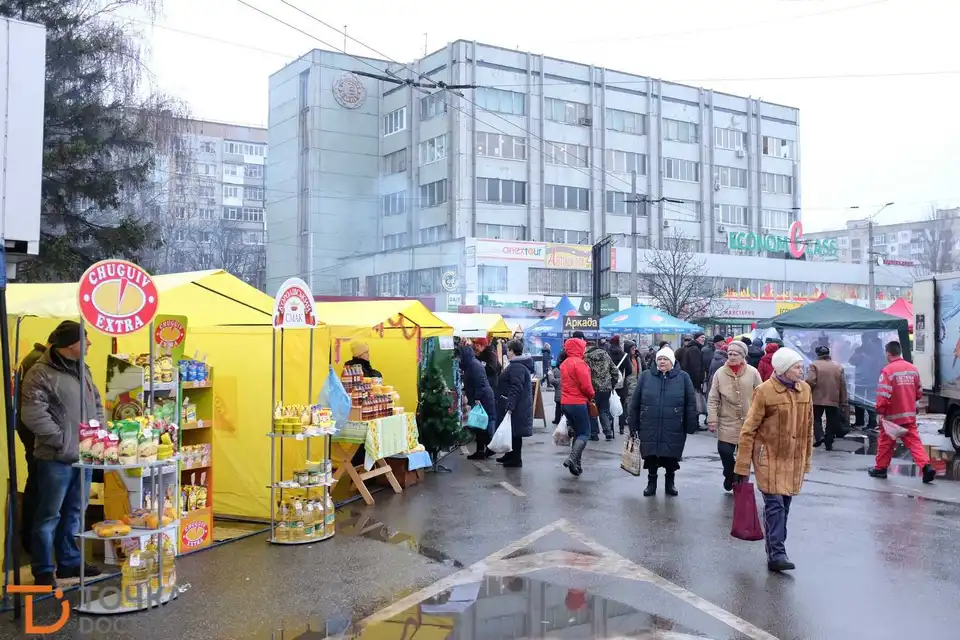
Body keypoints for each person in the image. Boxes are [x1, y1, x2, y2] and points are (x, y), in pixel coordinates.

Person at [20, 321, 104, 586]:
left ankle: (68, 563)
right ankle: (43, 569)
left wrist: (98, 434)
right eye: (85, 339)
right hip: (55, 458)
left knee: (76, 511)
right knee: (49, 515)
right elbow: (33, 415)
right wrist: (64, 442)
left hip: (85, 455)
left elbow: (97, 404)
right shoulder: (39, 373)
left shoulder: (84, 369)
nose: (90, 344)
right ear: (70, 345)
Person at [734, 348, 813, 573]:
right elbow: (749, 429)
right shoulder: (765, 391)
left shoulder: (805, 390)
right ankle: (777, 553)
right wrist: (742, 466)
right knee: (775, 504)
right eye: (797, 367)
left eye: (800, 366)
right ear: (783, 369)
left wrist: (806, 459)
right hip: (767, 457)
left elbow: (808, 427)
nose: (801, 370)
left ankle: (776, 548)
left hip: (793, 458)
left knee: (785, 505)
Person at [628, 347, 698, 497]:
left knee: (670, 456)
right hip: (649, 423)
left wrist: (691, 423)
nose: (662, 362)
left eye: (665, 359)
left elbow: (690, 403)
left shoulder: (683, 377)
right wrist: (632, 423)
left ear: (672, 361)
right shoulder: (646, 376)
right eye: (659, 359)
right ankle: (651, 483)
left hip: (674, 425)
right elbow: (635, 402)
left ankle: (670, 483)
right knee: (651, 456)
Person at [868, 341, 936, 483]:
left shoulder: (887, 371)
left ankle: (880, 469)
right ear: (899, 352)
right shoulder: (912, 369)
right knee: (914, 442)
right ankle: (926, 466)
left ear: (888, 353)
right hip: (909, 414)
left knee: (885, 442)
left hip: (891, 416)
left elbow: (883, 395)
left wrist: (880, 411)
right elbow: (919, 392)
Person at [16, 332, 56, 555]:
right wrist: (55, 435)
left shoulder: (34, 358)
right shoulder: (37, 362)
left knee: (37, 482)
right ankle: (33, 542)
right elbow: (36, 408)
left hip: (32, 432)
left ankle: (33, 541)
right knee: (39, 484)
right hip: (36, 434)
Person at [707, 340, 762, 491]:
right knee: (724, 450)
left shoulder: (752, 372)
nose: (732, 356)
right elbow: (713, 398)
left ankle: (740, 483)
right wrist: (712, 419)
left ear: (743, 356)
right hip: (727, 419)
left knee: (744, 456)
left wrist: (762, 417)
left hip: (748, 420)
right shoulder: (720, 373)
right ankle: (729, 473)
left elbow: (761, 395)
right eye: (730, 353)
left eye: (735, 354)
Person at [495, 339, 534, 467]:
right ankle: (510, 455)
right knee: (512, 432)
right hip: (518, 405)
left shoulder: (517, 366)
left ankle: (516, 459)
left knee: (515, 433)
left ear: (512, 351)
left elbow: (515, 387)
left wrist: (510, 406)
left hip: (517, 406)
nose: (507, 352)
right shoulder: (517, 364)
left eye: (508, 349)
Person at [559, 337, 594, 476]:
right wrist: (591, 394)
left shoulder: (565, 363)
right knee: (585, 433)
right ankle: (573, 458)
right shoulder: (579, 364)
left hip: (566, 403)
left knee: (577, 433)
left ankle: (576, 465)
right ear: (578, 348)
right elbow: (586, 385)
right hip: (578, 402)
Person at [806, 345, 849, 451]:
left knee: (816, 418)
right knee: (831, 420)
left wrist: (805, 388)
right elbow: (843, 384)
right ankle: (829, 442)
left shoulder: (814, 365)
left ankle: (819, 436)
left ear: (818, 354)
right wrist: (844, 400)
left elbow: (811, 380)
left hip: (817, 397)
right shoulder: (838, 366)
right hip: (833, 397)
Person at [459, 344, 497, 460]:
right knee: (479, 425)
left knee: (480, 425)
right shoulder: (472, 364)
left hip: (482, 398)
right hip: (482, 397)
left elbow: (480, 383)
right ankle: (481, 450)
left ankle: (490, 447)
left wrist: (477, 398)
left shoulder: (473, 366)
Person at [585, 342, 620, 441]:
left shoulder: (586, 358)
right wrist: (612, 384)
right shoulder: (606, 356)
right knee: (604, 411)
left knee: (592, 411)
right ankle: (608, 432)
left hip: (593, 389)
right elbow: (615, 371)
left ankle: (594, 433)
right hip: (606, 389)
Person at [849, 334, 884, 431]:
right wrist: (857, 357)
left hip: (872, 380)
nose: (864, 341)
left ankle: (872, 422)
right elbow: (851, 361)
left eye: (866, 339)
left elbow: (878, 363)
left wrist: (865, 357)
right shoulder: (859, 349)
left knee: (870, 401)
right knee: (857, 401)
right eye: (863, 339)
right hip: (860, 380)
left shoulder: (877, 351)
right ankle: (859, 421)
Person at [608, 336, 632, 436]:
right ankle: (621, 428)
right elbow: (630, 370)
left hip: (609, 384)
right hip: (622, 384)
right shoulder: (625, 355)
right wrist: (622, 375)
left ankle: (610, 429)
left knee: (610, 405)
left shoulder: (607, 354)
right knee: (622, 406)